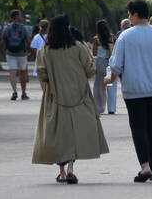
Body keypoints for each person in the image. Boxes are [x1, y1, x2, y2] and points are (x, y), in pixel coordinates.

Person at [106, 0, 152, 183]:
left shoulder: (125, 37)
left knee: (138, 128)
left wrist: (110, 80)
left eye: (130, 14)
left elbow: (116, 65)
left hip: (133, 91)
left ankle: (144, 166)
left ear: (136, 14)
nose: (129, 18)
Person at [32, 15, 109, 184]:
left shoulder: (46, 51)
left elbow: (42, 73)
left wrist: (49, 87)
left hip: (55, 98)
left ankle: (61, 172)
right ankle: (71, 169)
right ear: (66, 28)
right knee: (75, 134)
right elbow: (90, 70)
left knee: (59, 134)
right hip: (79, 97)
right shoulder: (78, 47)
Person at [1, 9, 32, 100]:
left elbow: (3, 41)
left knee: (12, 72)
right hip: (22, 53)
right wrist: (29, 51)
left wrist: (5, 50)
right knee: (23, 72)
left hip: (10, 53)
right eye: (20, 15)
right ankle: (23, 93)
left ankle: (14, 91)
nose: (21, 17)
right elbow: (28, 40)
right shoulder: (23, 28)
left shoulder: (7, 28)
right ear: (17, 17)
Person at [92, 20, 115, 115]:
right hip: (110, 63)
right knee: (110, 86)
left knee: (99, 86)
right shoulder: (111, 37)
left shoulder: (96, 39)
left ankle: (99, 107)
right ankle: (111, 108)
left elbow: (94, 53)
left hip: (100, 63)